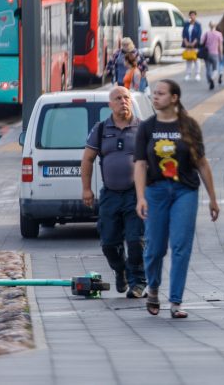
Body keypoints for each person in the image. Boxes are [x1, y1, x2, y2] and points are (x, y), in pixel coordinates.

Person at [134, 79, 219, 319]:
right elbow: (140, 164)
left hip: (185, 191)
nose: (155, 97)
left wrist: (213, 199)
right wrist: (140, 197)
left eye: (160, 93)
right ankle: (153, 288)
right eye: (153, 94)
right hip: (156, 191)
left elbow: (202, 163)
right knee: (154, 247)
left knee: (181, 246)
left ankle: (176, 301)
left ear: (174, 98)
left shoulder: (189, 126)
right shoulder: (147, 128)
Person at [81, 86, 146, 299]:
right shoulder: (100, 129)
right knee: (109, 243)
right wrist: (86, 189)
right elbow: (88, 159)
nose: (123, 101)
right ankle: (121, 270)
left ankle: (138, 283)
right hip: (110, 194)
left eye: (126, 97)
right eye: (118, 98)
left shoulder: (142, 128)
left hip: (135, 194)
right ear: (110, 104)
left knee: (136, 241)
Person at [202, 21, 223, 91]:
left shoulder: (206, 33)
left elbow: (202, 42)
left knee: (208, 69)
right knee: (215, 69)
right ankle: (212, 78)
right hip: (215, 53)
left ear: (209, 26)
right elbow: (220, 46)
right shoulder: (219, 34)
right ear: (215, 26)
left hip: (207, 54)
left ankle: (209, 81)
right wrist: (221, 54)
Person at [182, 11, 203, 82]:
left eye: (193, 15)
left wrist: (193, 43)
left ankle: (197, 74)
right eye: (191, 15)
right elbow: (184, 34)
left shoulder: (198, 25)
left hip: (195, 45)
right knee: (188, 59)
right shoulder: (186, 24)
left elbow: (199, 35)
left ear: (195, 16)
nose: (192, 17)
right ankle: (188, 74)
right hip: (187, 44)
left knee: (196, 59)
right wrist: (186, 42)